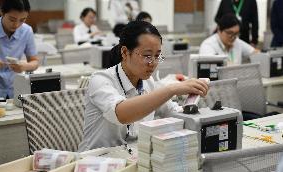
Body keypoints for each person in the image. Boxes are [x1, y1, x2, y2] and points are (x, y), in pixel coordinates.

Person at [78, 21, 209, 151]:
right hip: (95, 163)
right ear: (124, 52)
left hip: (133, 158)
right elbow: (121, 114)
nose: (153, 63)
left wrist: (190, 108)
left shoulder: (148, 82)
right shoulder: (100, 80)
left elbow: (172, 111)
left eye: (157, 56)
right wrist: (172, 89)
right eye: (147, 56)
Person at [0, 0, 39, 99]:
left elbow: (35, 62)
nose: (16, 25)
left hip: (16, 89)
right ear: (2, 12)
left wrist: (24, 66)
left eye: (22, 20)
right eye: (12, 19)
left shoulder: (26, 31)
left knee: (15, 114)